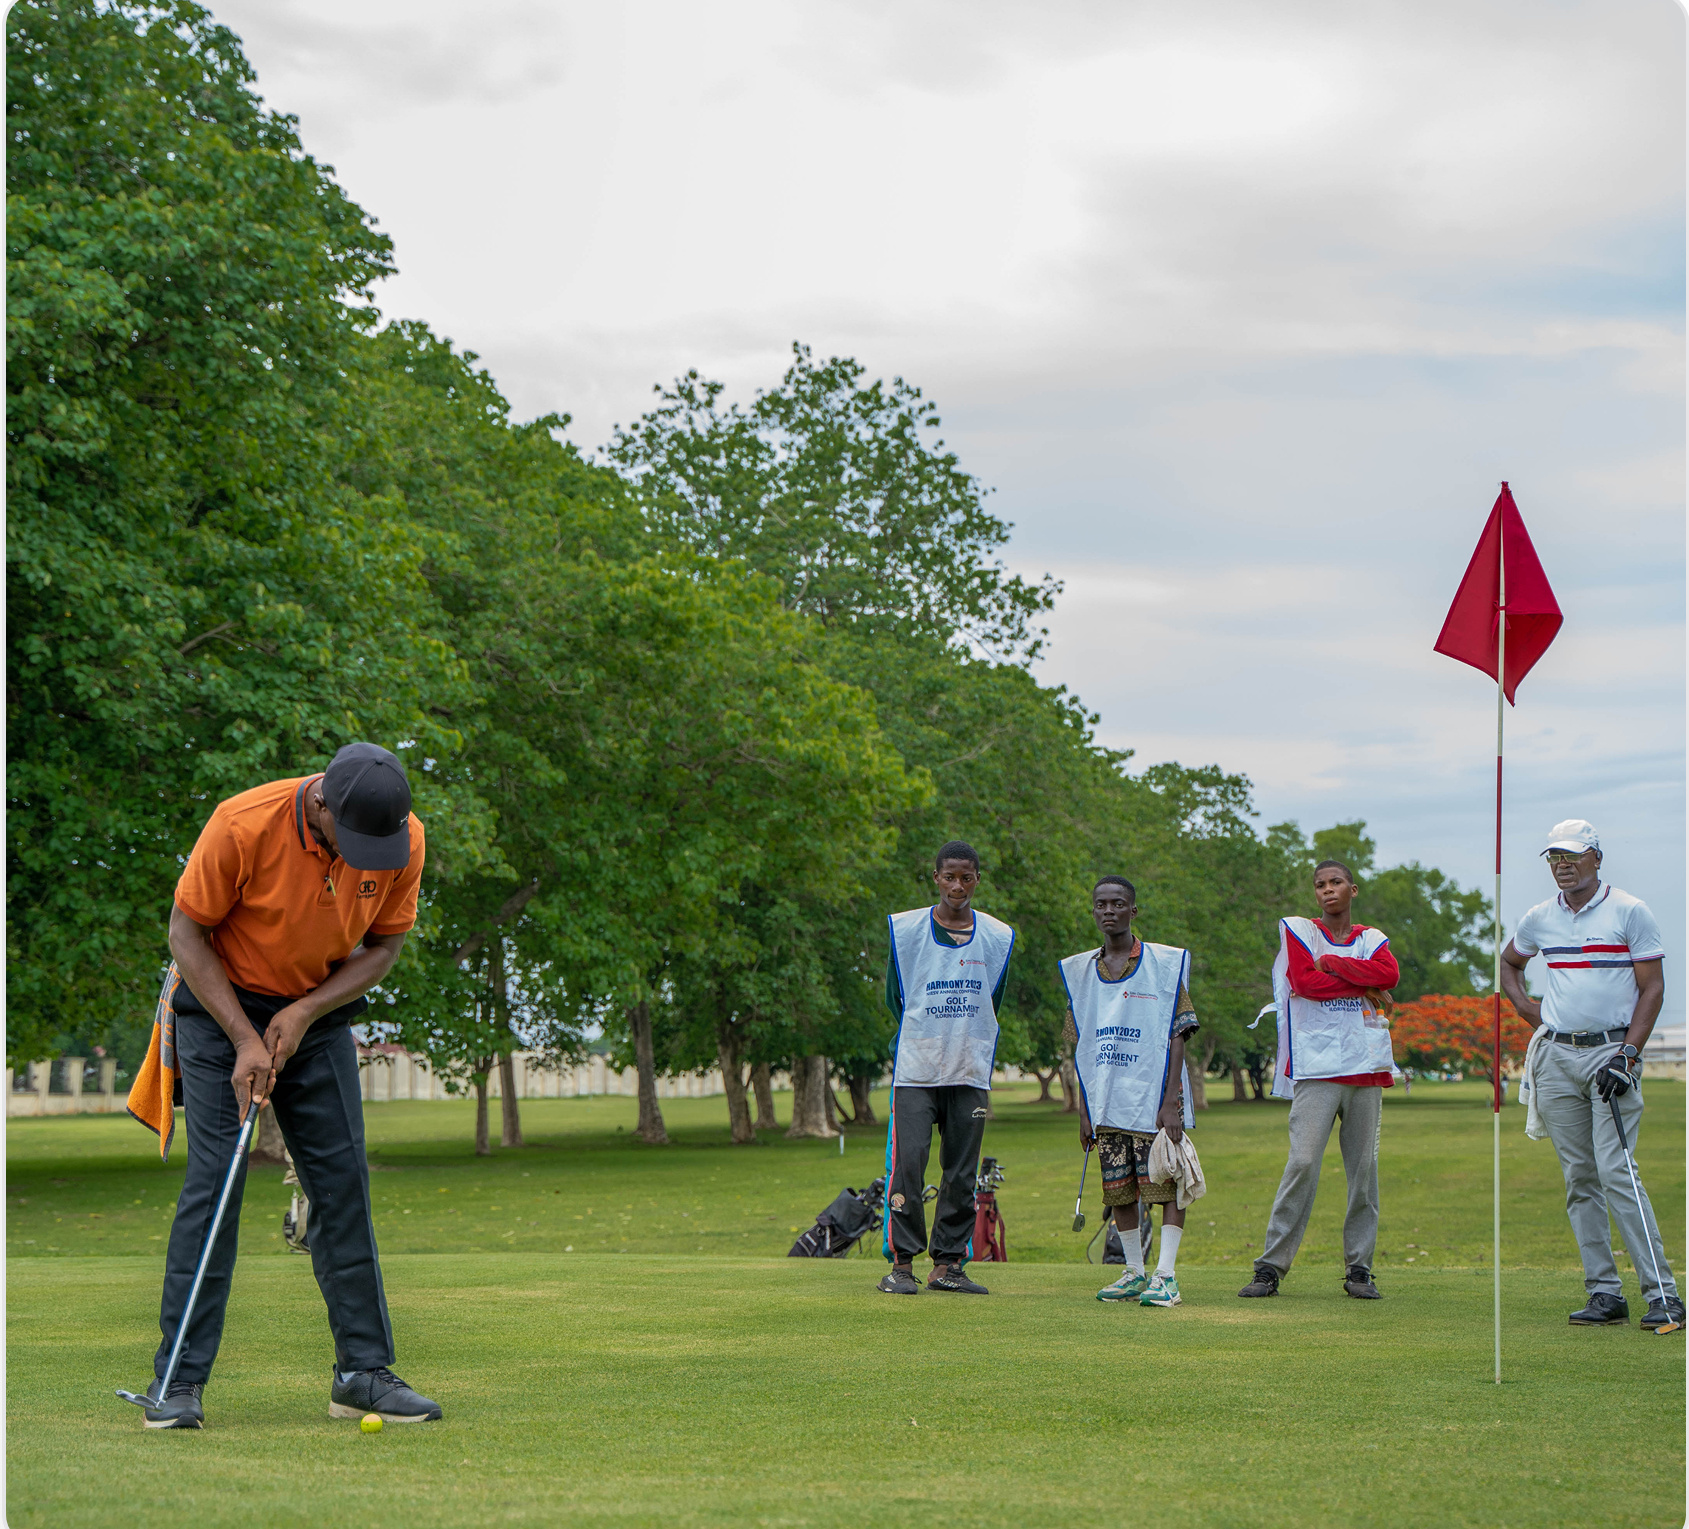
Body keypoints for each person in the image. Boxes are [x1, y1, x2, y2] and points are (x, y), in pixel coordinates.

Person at [128, 743, 444, 1429]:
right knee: (216, 1185)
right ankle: (176, 1380)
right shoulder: (241, 824)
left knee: (341, 1185)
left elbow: (384, 945)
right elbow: (185, 932)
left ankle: (362, 1372)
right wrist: (245, 1036)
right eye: (354, 839)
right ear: (322, 802)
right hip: (218, 1011)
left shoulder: (404, 836)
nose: (367, 855)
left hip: (317, 1013)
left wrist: (303, 1013)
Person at [1501, 819, 1682, 1330]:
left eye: (1573, 855)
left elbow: (1653, 989)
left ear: (1596, 858)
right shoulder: (1539, 917)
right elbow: (1510, 962)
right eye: (1554, 856)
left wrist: (1628, 1055)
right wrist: (1530, 1013)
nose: (1562, 864)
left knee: (1617, 1172)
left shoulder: (1630, 911)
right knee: (1579, 1178)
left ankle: (1663, 1296)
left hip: (1611, 1055)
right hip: (1556, 1059)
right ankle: (1605, 1294)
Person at [1240, 859, 1399, 1301]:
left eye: (1336, 883)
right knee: (1303, 1162)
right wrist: (1359, 983)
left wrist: (1334, 964)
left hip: (1366, 1068)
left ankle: (1360, 1268)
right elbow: (1305, 982)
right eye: (1320, 885)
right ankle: (1270, 1266)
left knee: (1364, 1172)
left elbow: (1389, 976)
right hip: (1317, 1067)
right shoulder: (1300, 931)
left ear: (1353, 889)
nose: (1328, 890)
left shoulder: (1372, 939)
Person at [877, 841, 1015, 1295]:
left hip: (968, 1068)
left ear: (978, 879)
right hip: (916, 1070)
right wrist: (927, 1033)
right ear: (935, 876)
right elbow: (895, 998)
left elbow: (992, 1000)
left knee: (961, 1170)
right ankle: (902, 1264)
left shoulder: (997, 936)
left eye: (967, 877)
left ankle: (949, 1265)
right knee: (909, 1164)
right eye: (949, 876)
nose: (958, 886)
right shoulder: (907, 929)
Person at [1061, 876, 1197, 1308]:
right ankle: (1135, 1273)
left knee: (1168, 1182)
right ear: (1094, 911)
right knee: (1119, 1190)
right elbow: (1080, 1044)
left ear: (1133, 911)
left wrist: (1171, 1102)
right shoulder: (1082, 972)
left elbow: (1179, 1033)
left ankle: (1167, 1276)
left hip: (1153, 1099)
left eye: (1118, 904)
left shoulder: (1163, 964)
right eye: (1100, 904)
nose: (1108, 911)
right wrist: (1085, 1112)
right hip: (1106, 1101)